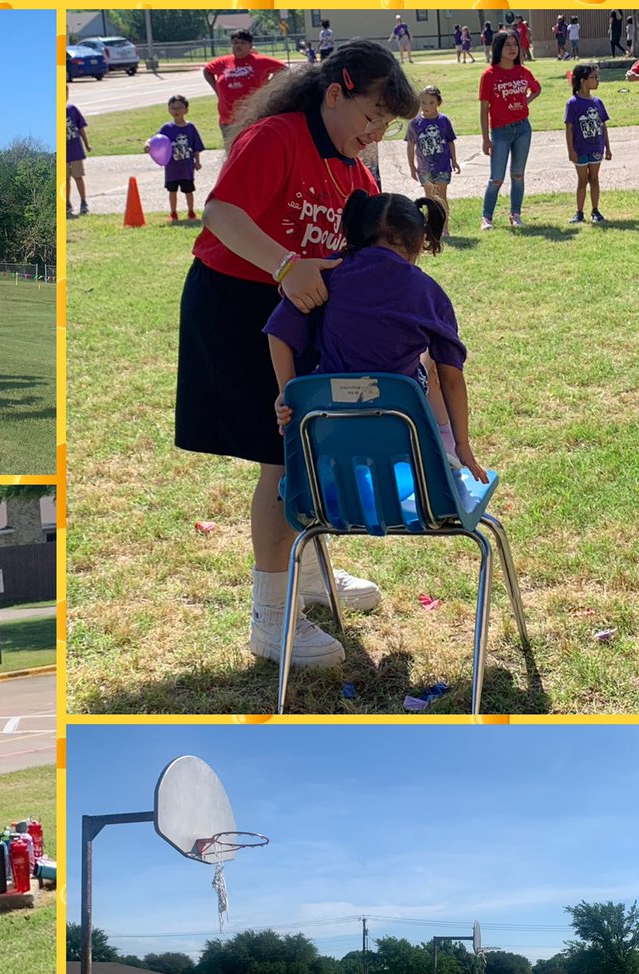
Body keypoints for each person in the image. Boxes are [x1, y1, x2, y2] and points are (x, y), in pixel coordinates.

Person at [175, 42, 418, 668]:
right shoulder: (277, 137)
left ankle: (308, 575)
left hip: (302, 315)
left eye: (385, 127)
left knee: (310, 448)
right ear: (335, 93)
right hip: (237, 306)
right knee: (282, 458)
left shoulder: (356, 169)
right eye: (369, 117)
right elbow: (221, 214)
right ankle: (272, 621)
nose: (374, 135)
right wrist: (285, 266)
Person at [267, 190, 486, 488]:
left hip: (327, 422)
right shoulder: (428, 292)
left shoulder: (328, 271)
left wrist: (287, 392)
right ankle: (447, 449)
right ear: (420, 240)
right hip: (398, 429)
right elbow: (452, 378)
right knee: (433, 361)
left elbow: (278, 332)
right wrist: (464, 446)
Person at [479, 30, 541, 230]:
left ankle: (515, 215)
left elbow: (537, 88)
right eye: (507, 45)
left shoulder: (523, 71)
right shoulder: (489, 75)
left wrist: (525, 102)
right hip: (500, 131)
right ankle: (486, 218)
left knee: (518, 175)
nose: (512, 48)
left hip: (522, 128)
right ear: (498, 48)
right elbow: (483, 109)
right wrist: (485, 139)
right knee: (496, 177)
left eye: (515, 44)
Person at [202, 30, 285, 143]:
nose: (238, 46)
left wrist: (268, 87)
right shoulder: (223, 62)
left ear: (250, 45)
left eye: (242, 43)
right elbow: (207, 70)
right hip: (228, 120)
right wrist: (217, 90)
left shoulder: (261, 61)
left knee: (254, 151)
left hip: (252, 118)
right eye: (235, 43)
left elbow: (283, 70)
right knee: (232, 153)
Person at [405, 86, 460, 235]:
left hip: (442, 165)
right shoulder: (415, 123)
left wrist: (454, 161)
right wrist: (412, 167)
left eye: (431, 103)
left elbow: (450, 141)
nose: (427, 106)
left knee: (441, 197)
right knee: (429, 198)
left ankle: (444, 228)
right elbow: (410, 146)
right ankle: (431, 228)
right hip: (425, 168)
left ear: (438, 103)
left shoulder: (443, 120)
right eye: (423, 103)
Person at [566, 64, 612, 223]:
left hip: (596, 147)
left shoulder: (598, 102)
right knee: (582, 180)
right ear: (583, 81)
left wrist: (608, 147)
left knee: (594, 178)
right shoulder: (573, 103)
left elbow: (603, 125)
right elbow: (569, 128)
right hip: (580, 149)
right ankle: (579, 212)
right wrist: (571, 150)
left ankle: (595, 210)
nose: (597, 80)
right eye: (593, 77)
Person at [155, 95, 205, 222]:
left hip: (187, 167)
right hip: (172, 167)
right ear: (169, 110)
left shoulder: (190, 127)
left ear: (186, 110)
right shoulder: (166, 128)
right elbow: (156, 141)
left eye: (180, 107)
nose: (176, 111)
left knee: (188, 190)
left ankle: (191, 212)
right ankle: (173, 213)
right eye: (173, 108)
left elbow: (195, 147)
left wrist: (197, 162)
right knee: (172, 191)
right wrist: (148, 146)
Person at [66, 88, 91, 216]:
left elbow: (81, 128)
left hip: (75, 149)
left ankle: (83, 202)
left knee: (78, 176)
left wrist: (86, 144)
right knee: (65, 179)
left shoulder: (72, 110)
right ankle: (67, 203)